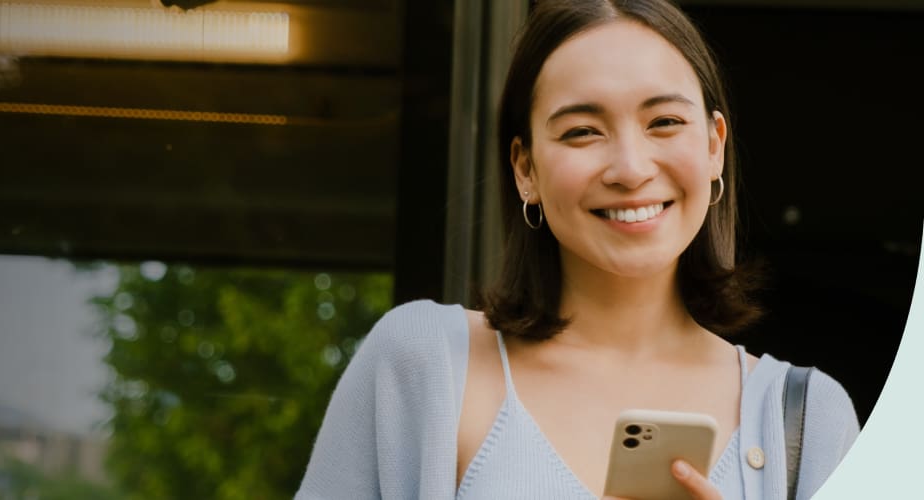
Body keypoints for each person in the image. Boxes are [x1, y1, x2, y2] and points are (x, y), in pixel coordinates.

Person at [295, 1, 860, 499]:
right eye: (582, 131)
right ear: (525, 169)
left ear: (714, 147)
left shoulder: (809, 421)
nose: (630, 169)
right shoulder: (422, 362)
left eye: (664, 122)